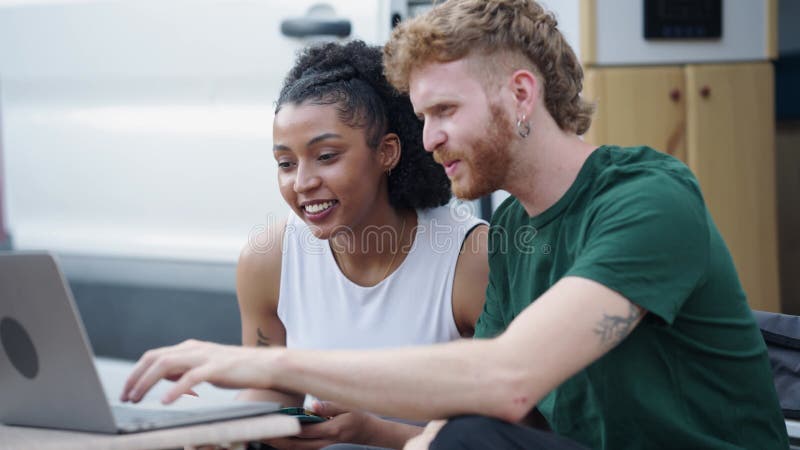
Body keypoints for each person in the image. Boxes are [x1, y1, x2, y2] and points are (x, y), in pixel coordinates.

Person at [121, 1, 790, 449]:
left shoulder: (646, 199)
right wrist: (368, 430)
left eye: (443, 110)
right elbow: (492, 409)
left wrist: (265, 364)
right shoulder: (517, 239)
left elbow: (509, 377)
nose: (428, 138)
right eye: (419, 116)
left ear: (520, 94)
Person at [236, 40, 488, 449]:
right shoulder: (268, 259)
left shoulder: (470, 259)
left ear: (386, 152)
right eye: (285, 163)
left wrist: (375, 432)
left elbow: (511, 432)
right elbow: (270, 388)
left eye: (327, 156)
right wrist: (227, 428)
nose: (301, 183)